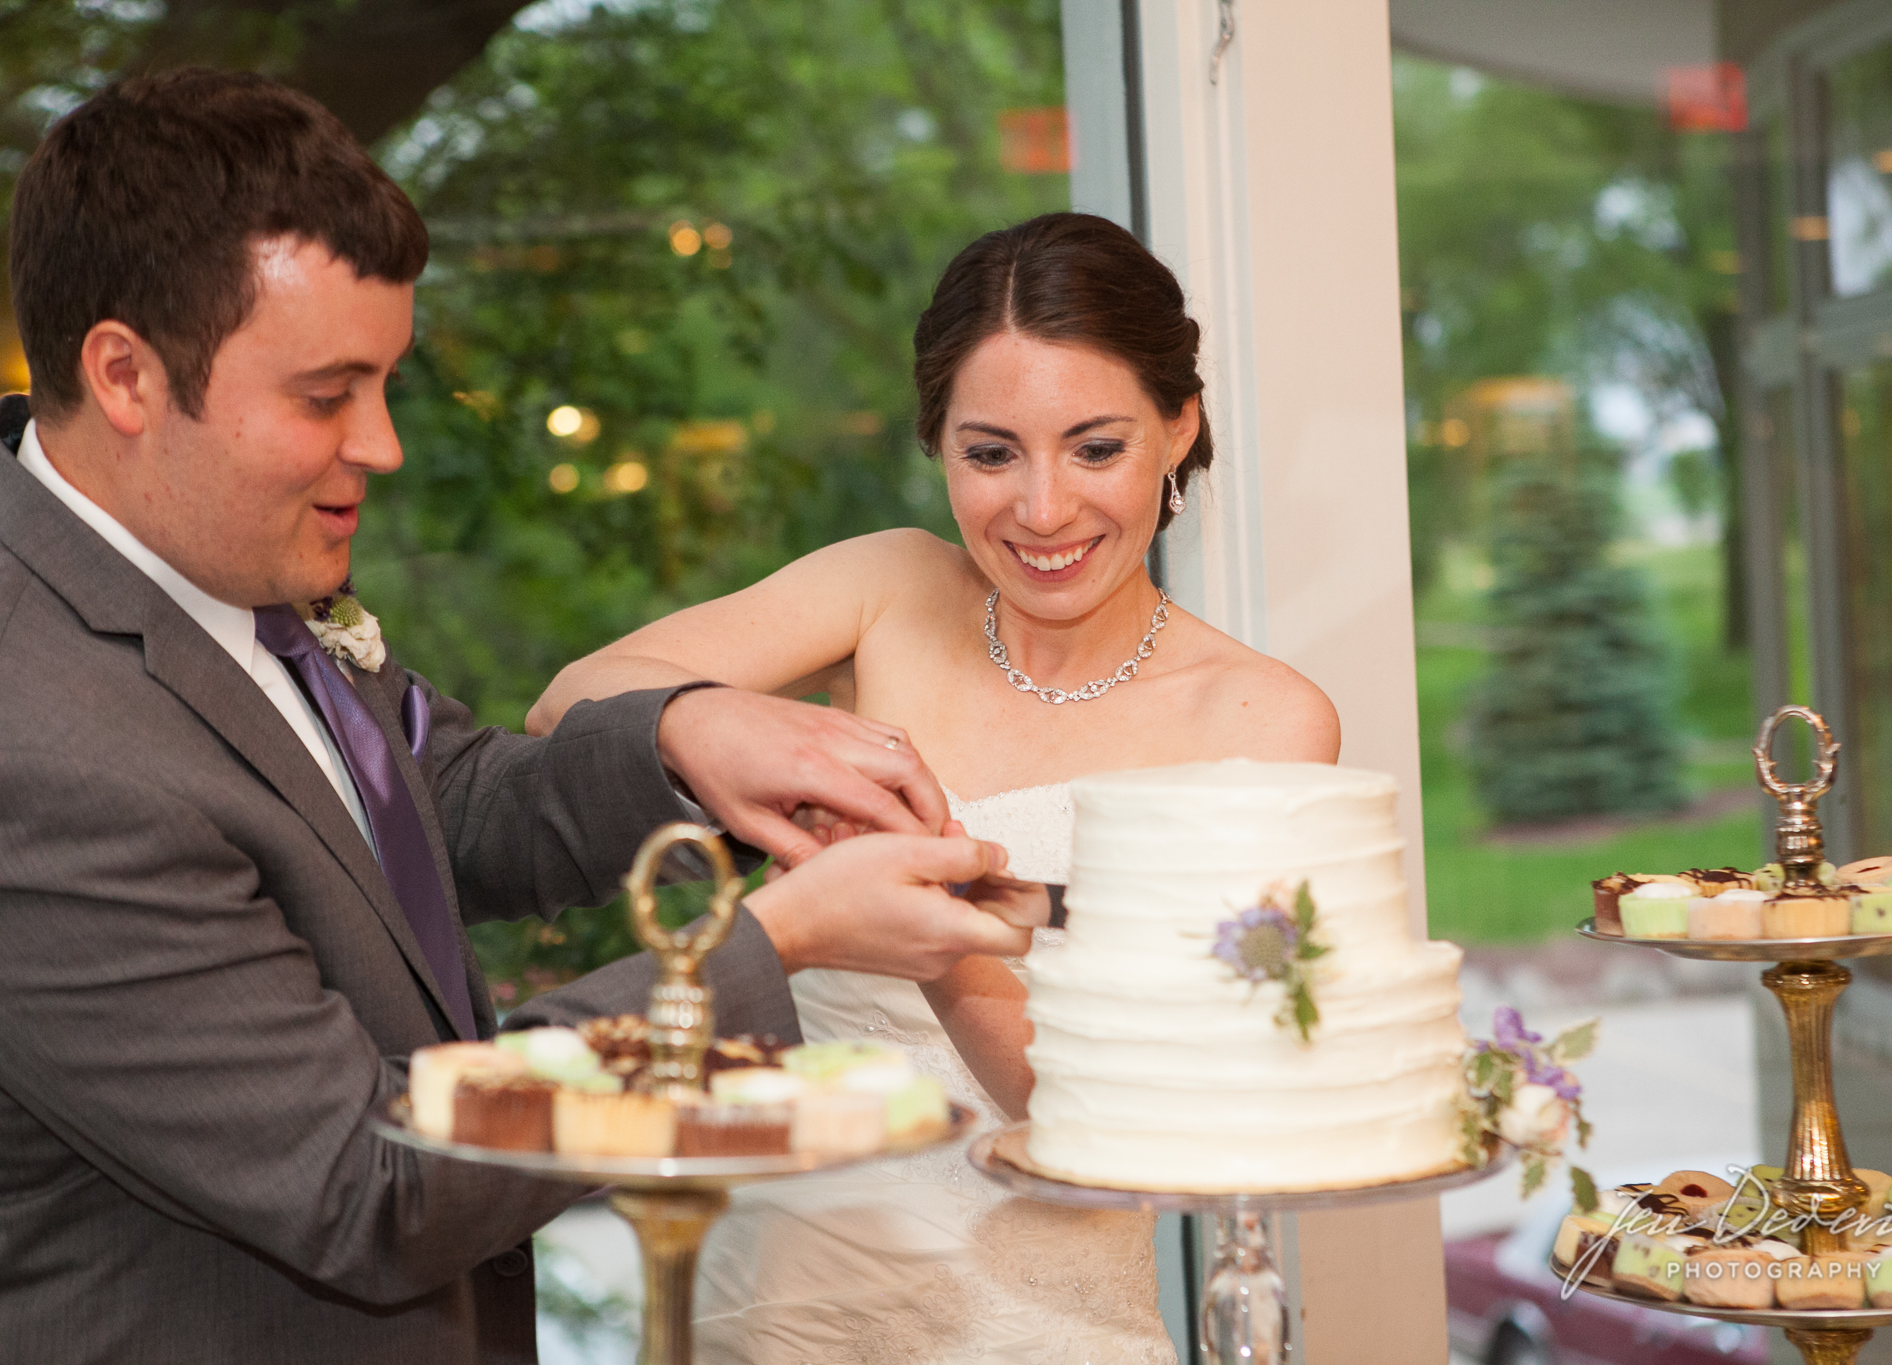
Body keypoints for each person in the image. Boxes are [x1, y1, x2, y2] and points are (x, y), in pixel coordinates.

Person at [0, 69, 1040, 1365]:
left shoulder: (220, 552)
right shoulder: (42, 749)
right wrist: (776, 944)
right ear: (126, 375)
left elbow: (432, 802)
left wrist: (686, 741)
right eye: (327, 395)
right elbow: (368, 1177)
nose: (378, 443)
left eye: (385, 382)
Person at [530, 211, 1341, 1363]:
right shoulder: (886, 588)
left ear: (1178, 426)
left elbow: (1132, 1133)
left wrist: (934, 922)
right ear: (937, 445)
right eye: (991, 451)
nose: (1042, 508)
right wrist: (762, 743)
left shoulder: (1259, 719)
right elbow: (572, 698)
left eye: (1095, 448)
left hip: (1032, 1323)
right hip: (763, 1296)